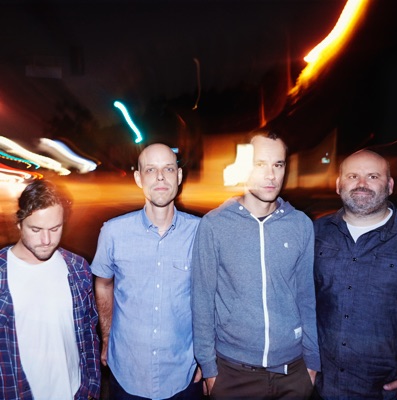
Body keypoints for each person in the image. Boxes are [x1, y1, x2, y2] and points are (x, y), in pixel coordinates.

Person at [191, 130, 320, 400]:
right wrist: (209, 367)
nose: (271, 175)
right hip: (232, 373)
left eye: (278, 164)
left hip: (293, 372)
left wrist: (312, 364)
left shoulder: (300, 224)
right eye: (260, 164)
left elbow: (306, 297)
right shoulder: (214, 224)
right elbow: (202, 300)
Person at [91, 143, 202, 400]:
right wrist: (106, 338)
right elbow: (103, 284)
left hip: (183, 374)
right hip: (127, 373)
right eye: (151, 170)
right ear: (138, 178)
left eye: (168, 169)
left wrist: (207, 357)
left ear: (179, 176)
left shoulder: (201, 232)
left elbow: (213, 297)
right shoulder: (113, 232)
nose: (160, 177)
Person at [0, 179, 101, 400]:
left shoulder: (78, 268)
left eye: (55, 229)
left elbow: (88, 333)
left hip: (75, 393)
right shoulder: (2, 275)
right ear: (19, 224)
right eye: (36, 229)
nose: (46, 240)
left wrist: (91, 386)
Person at [314, 149, 397, 400]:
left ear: (390, 185)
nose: (362, 184)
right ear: (338, 185)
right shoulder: (314, 233)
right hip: (321, 386)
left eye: (373, 176)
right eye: (352, 176)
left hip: (383, 390)